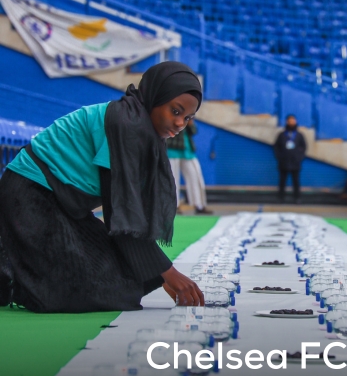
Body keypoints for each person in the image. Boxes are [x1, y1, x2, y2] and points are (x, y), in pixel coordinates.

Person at [0, 62, 205, 312]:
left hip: (67, 206)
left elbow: (130, 217)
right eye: (175, 111)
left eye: (187, 118)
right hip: (32, 195)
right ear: (154, 99)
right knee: (92, 291)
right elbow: (121, 217)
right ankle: (13, 279)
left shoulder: (143, 130)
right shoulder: (126, 127)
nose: (180, 124)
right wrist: (169, 273)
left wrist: (162, 273)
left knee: (128, 276)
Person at [167, 118, 213, 215]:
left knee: (195, 176)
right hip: (171, 148)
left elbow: (194, 131)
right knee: (172, 180)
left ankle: (199, 205)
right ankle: (174, 206)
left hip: (187, 149)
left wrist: (189, 121)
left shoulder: (188, 110)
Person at [274, 114, 306, 204]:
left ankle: (297, 197)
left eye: (293, 120)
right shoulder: (281, 135)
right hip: (283, 162)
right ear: (286, 122)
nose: (291, 122)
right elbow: (276, 147)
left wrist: (300, 158)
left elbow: (304, 147)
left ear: (295, 122)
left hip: (295, 162)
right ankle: (281, 197)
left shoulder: (299, 135)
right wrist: (279, 157)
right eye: (290, 121)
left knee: (296, 181)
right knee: (282, 181)